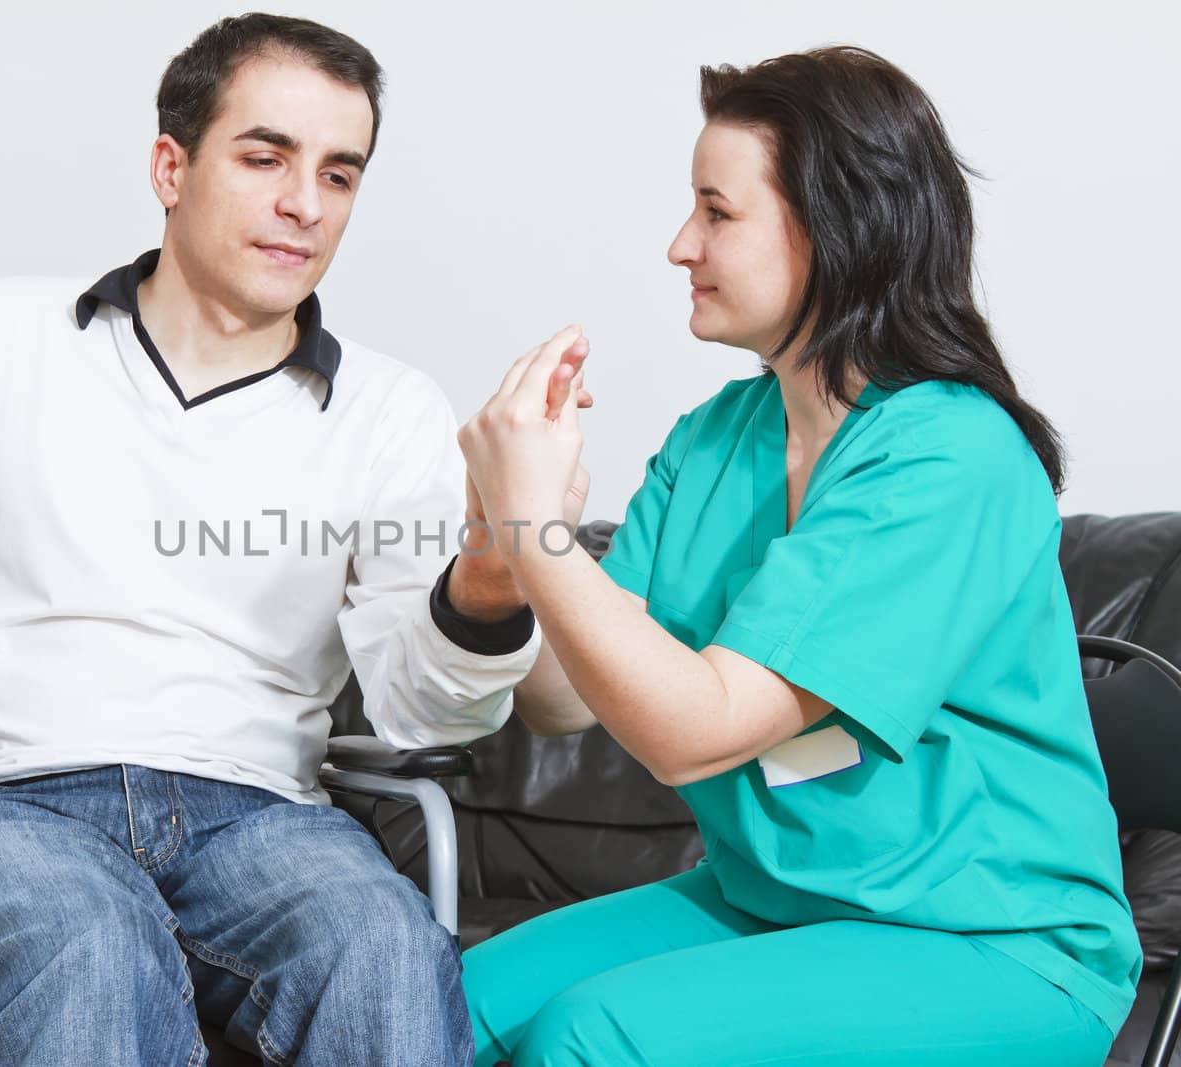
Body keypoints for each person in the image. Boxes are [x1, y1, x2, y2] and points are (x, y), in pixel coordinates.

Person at [0, 14, 543, 1066]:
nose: (304, 204)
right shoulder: (5, 335)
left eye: (339, 174)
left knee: (384, 944)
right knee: (94, 952)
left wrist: (488, 583)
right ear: (171, 167)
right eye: (265, 157)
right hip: (16, 807)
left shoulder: (389, 410)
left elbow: (420, 703)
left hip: (264, 813)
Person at [455, 46, 1140, 1067]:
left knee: (591, 1036)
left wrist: (541, 536)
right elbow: (563, 703)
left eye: (715, 211)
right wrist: (507, 534)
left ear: (836, 227)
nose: (679, 244)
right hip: (771, 896)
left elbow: (698, 732)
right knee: (440, 1002)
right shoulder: (713, 437)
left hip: (991, 939)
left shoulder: (948, 455)